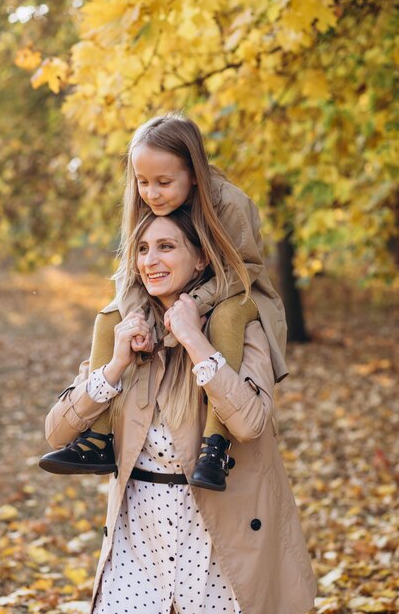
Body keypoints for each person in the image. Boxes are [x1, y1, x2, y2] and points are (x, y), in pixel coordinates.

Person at [43, 208, 317, 614]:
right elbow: (55, 433)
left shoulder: (239, 327)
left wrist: (194, 340)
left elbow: (250, 423)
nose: (150, 260)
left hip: (218, 538)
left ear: (201, 257)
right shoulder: (125, 327)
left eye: (166, 247)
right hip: (137, 537)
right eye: (142, 249)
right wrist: (115, 366)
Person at [39, 113, 288, 491]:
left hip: (235, 292)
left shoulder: (230, 204)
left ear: (193, 173)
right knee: (111, 318)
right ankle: (98, 438)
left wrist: (190, 307)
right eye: (142, 182)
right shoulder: (145, 205)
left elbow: (245, 269)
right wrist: (138, 318)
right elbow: (133, 272)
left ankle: (215, 443)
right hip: (177, 294)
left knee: (223, 320)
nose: (152, 193)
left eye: (163, 182)